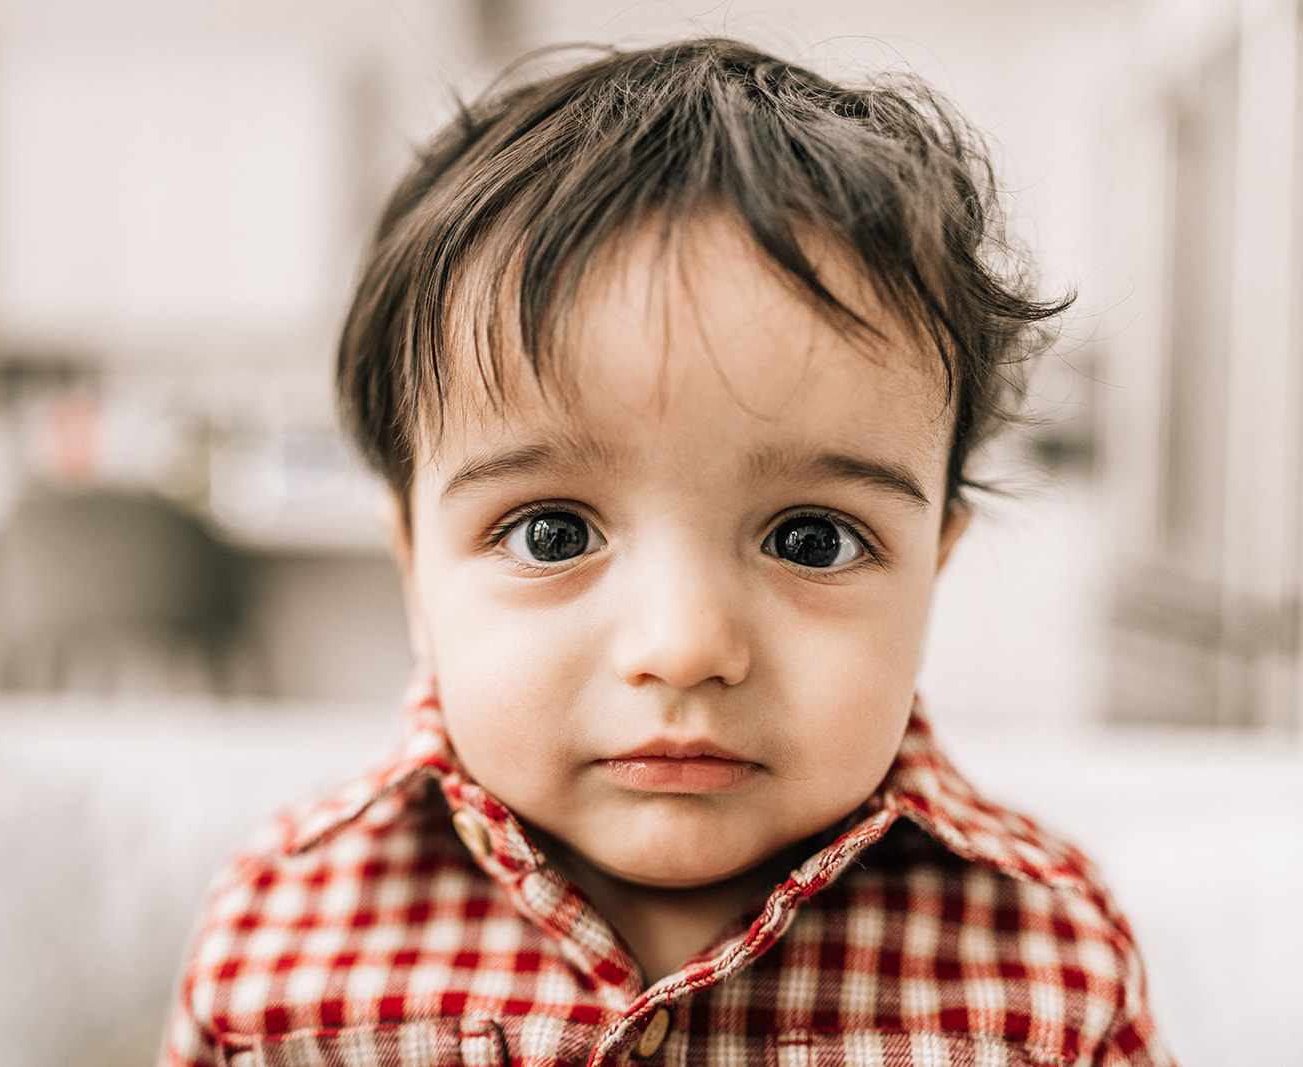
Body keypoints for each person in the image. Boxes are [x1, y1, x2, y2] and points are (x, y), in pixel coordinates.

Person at [160, 38, 1175, 1066]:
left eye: (809, 539)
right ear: (413, 568)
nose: (684, 645)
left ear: (933, 569)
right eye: (551, 531)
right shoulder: (281, 937)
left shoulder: (1048, 957)